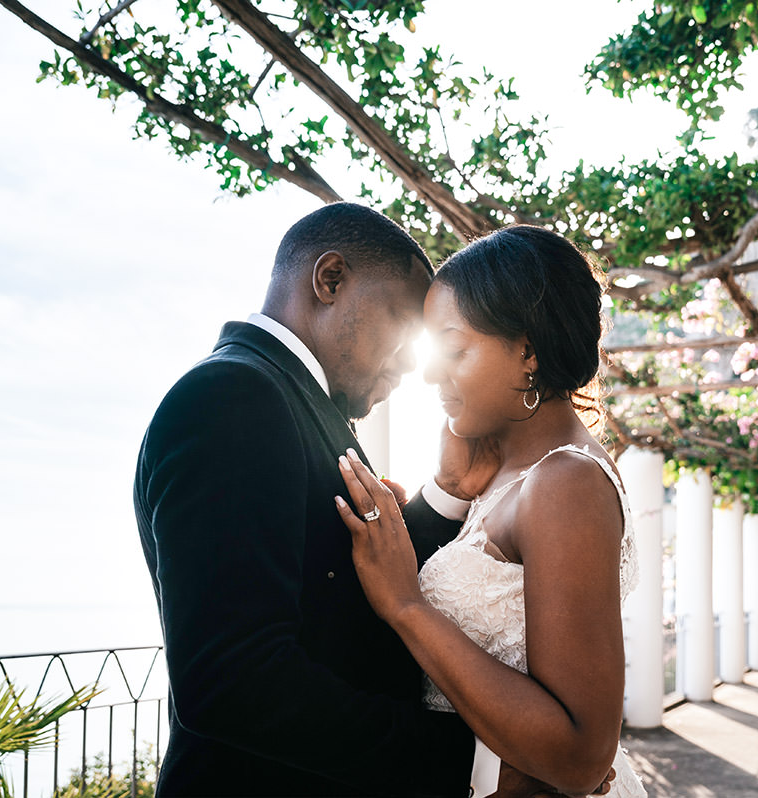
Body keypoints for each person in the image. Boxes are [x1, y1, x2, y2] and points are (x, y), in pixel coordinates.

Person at [134, 202, 493, 796]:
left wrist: (447, 493)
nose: (413, 361)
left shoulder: (286, 396)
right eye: (405, 323)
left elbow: (340, 582)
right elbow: (234, 683)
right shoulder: (234, 396)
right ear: (330, 280)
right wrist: (470, 763)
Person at [335, 226, 648, 798]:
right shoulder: (506, 472)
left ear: (527, 350)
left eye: (453, 350)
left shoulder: (565, 483)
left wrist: (406, 605)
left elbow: (581, 757)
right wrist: (449, 490)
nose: (430, 374)